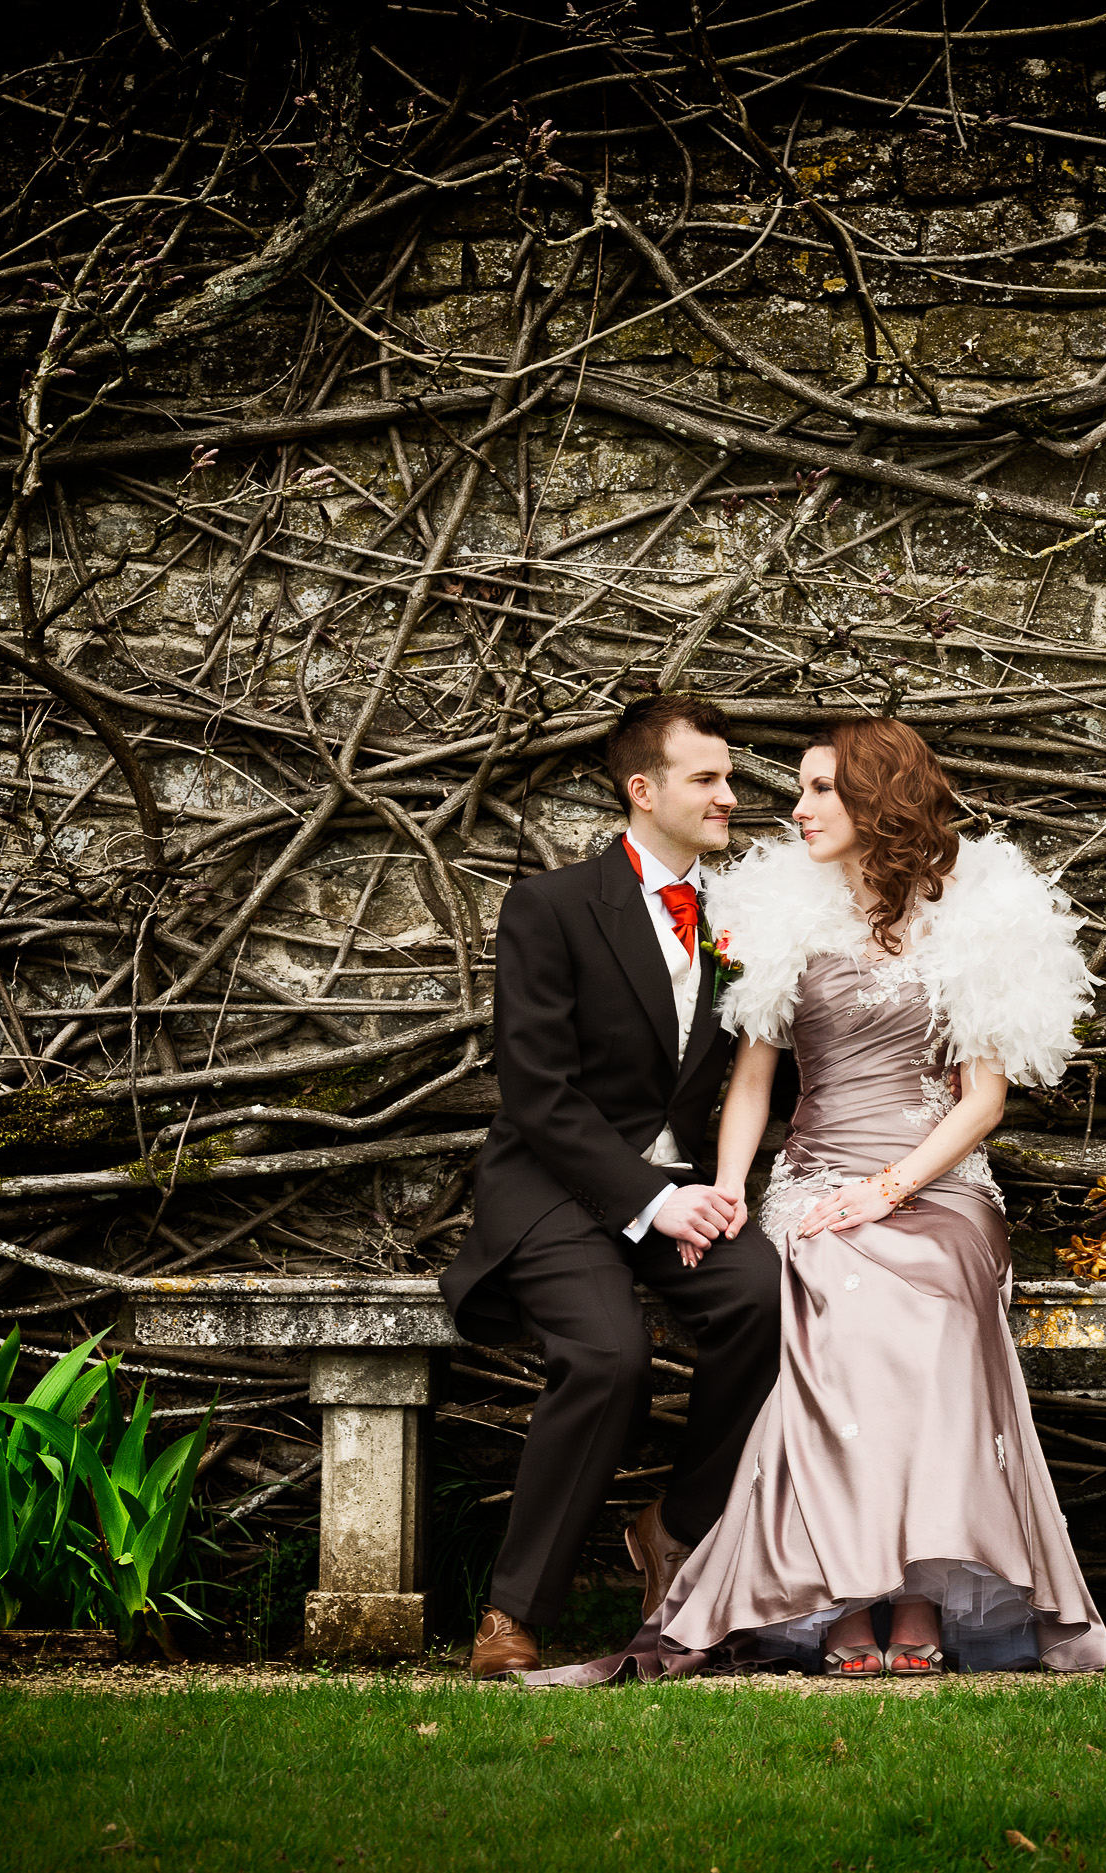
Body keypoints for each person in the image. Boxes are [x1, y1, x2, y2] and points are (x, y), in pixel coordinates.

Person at [528, 717, 1106, 1681]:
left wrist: (889, 1188)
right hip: (816, 1179)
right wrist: (730, 1191)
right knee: (834, 1299)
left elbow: (984, 1100)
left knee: (930, 1295)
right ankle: (844, 1591)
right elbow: (754, 1081)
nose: (795, 809)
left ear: (879, 799)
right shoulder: (782, 913)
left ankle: (914, 1591)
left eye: (820, 790)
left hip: (938, 1183)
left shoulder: (970, 912)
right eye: (798, 790)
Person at [442, 694, 782, 1681]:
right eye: (706, 777)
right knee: (609, 1355)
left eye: (729, 776)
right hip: (556, 1185)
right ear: (644, 789)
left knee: (766, 1298)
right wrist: (651, 1199)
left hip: (684, 1189)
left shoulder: (742, 921)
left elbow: (764, 1072)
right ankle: (514, 1611)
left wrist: (712, 1191)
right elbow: (537, 1094)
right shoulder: (548, 908)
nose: (729, 793)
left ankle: (673, 1526)